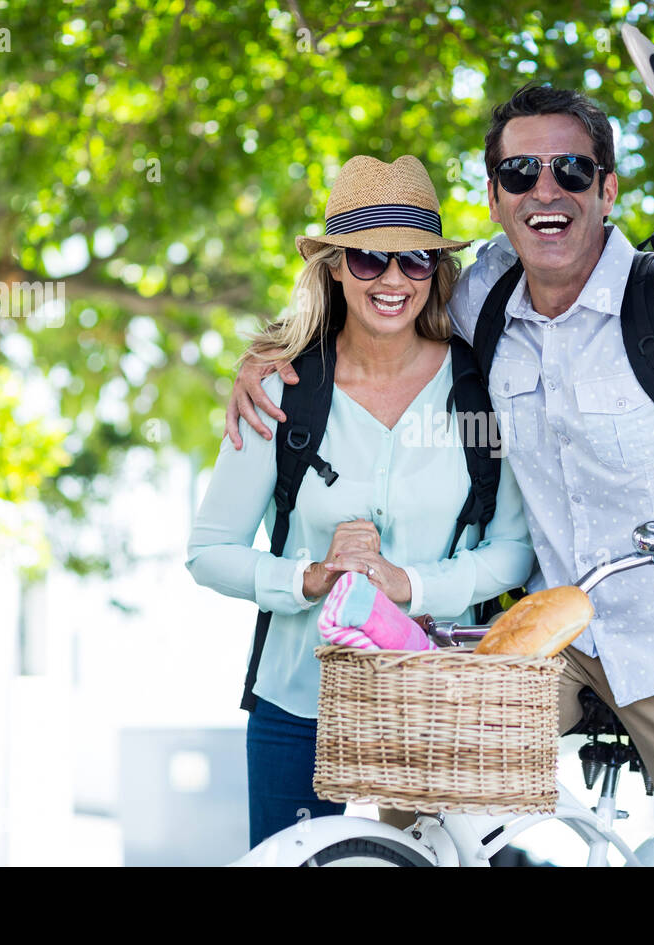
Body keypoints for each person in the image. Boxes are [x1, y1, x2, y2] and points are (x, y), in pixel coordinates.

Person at [226, 85, 654, 865]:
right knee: (412, 781)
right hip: (554, 642)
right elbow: (379, 301)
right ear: (496, 195)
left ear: (607, 190)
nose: (547, 189)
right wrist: (271, 357)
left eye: (573, 170)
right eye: (522, 173)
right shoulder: (484, 294)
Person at [186, 154, 535, 849]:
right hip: (299, 699)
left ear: (436, 271)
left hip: (438, 697)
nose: (393, 280)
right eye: (371, 260)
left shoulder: (480, 388)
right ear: (337, 266)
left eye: (414, 262)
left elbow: (515, 552)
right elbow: (207, 553)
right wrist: (306, 578)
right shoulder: (283, 389)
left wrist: (412, 584)